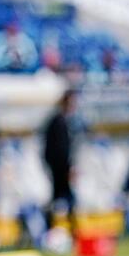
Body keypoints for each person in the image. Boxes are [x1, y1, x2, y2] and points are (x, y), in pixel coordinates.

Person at [43, 90, 78, 228]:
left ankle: (60, 228)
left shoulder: (63, 121)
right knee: (65, 199)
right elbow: (60, 149)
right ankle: (67, 229)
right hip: (60, 168)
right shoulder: (59, 122)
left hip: (59, 167)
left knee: (61, 199)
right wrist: (68, 168)